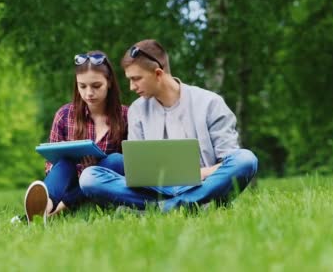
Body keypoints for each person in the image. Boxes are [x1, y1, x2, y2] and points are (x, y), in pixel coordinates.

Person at [79, 39, 258, 212]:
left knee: (246, 159)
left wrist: (198, 174)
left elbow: (228, 161)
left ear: (158, 74)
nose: (132, 87)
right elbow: (139, 170)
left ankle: (161, 207)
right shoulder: (137, 110)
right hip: (156, 189)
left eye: (136, 79)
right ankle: (191, 204)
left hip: (203, 183)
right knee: (89, 177)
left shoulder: (210, 103)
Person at [19, 50, 128, 225]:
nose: (88, 93)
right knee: (64, 163)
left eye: (96, 86)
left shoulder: (125, 116)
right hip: (67, 184)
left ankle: (53, 212)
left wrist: (94, 168)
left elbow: (129, 168)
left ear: (109, 83)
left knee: (115, 160)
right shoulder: (64, 115)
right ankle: (44, 207)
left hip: (101, 187)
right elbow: (51, 167)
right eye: (82, 86)